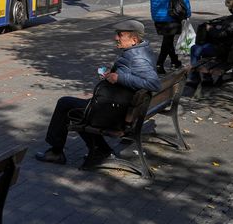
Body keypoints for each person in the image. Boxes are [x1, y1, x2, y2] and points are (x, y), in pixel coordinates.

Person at [36, 19, 161, 169]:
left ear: (134, 40)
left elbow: (154, 83)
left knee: (65, 105)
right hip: (120, 107)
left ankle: (56, 152)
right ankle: (101, 150)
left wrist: (120, 77)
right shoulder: (142, 50)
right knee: (74, 108)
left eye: (120, 35)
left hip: (114, 113)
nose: (116, 38)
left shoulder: (138, 58)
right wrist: (113, 75)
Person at [183, 0, 233, 97]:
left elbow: (220, 35)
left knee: (195, 48)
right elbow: (230, 31)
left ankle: (194, 79)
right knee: (205, 46)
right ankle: (206, 78)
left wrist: (210, 28)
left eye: (229, 7)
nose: (229, 9)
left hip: (229, 53)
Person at [141, 0, 191, 73]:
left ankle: (175, 61)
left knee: (168, 39)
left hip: (157, 15)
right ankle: (159, 64)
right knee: (168, 40)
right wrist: (187, 12)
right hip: (173, 14)